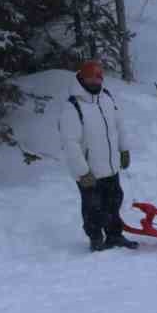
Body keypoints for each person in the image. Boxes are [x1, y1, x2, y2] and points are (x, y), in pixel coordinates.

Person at [57, 61, 136, 252]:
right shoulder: (73, 108)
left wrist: (124, 149)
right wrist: (82, 172)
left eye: (98, 76)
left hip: (110, 166)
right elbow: (70, 144)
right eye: (90, 76)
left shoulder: (106, 98)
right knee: (93, 207)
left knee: (114, 200)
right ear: (82, 78)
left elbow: (119, 126)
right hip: (90, 171)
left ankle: (114, 235)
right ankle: (96, 239)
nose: (95, 80)